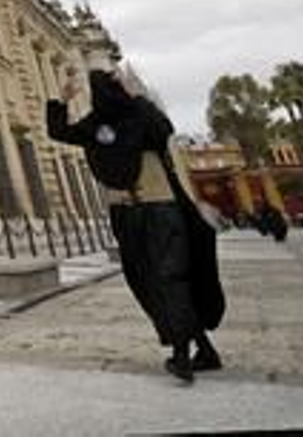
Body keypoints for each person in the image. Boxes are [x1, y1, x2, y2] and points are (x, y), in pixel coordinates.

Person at [47, 68, 224, 381]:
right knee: (149, 280)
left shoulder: (140, 119)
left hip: (159, 209)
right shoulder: (98, 125)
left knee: (170, 278)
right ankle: (204, 349)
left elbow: (164, 129)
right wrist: (61, 99)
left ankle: (181, 354)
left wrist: (137, 98)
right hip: (131, 214)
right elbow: (59, 132)